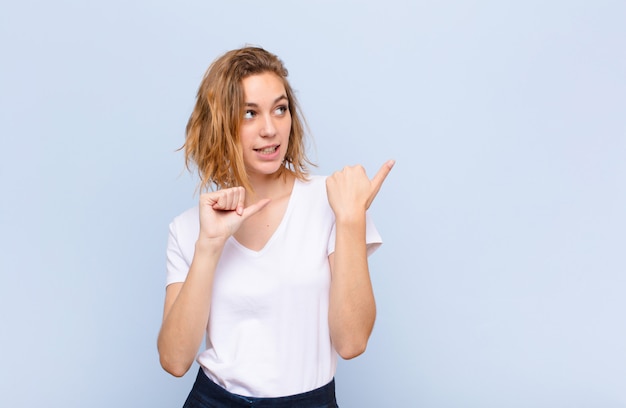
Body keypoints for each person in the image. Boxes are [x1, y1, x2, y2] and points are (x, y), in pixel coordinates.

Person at [157, 46, 394, 408]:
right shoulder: (191, 228)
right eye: (249, 114)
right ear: (221, 125)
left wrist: (350, 219)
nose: (270, 129)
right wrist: (209, 246)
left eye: (280, 109)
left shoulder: (333, 202)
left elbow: (352, 342)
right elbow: (174, 361)